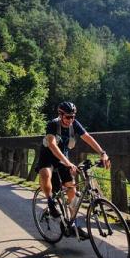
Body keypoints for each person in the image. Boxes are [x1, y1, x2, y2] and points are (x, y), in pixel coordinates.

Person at [36, 101, 110, 239]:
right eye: (68, 117)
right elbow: (52, 144)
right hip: (48, 157)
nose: (71, 120)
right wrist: (68, 162)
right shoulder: (53, 124)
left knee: (72, 190)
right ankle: (50, 203)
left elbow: (87, 137)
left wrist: (102, 152)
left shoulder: (74, 124)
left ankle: (73, 224)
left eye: (73, 116)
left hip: (63, 159)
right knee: (45, 174)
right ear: (61, 115)